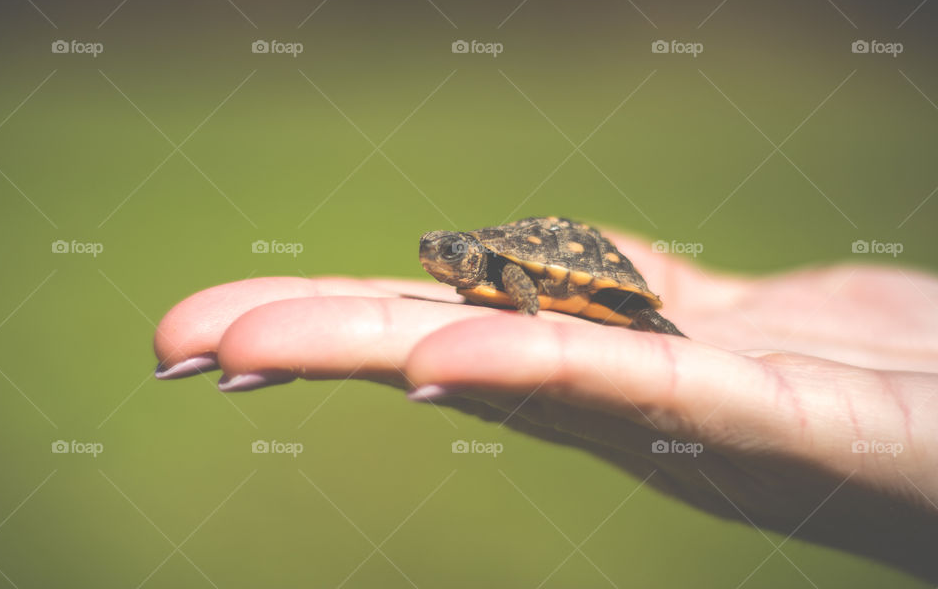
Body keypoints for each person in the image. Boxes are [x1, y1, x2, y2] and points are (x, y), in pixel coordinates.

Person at [153, 228, 938, 582]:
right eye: (437, 254)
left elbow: (526, 289)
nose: (438, 260)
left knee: (638, 323)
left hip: (587, 282)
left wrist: (519, 296)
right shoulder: (472, 271)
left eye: (451, 254)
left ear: (476, 258)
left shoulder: (513, 269)